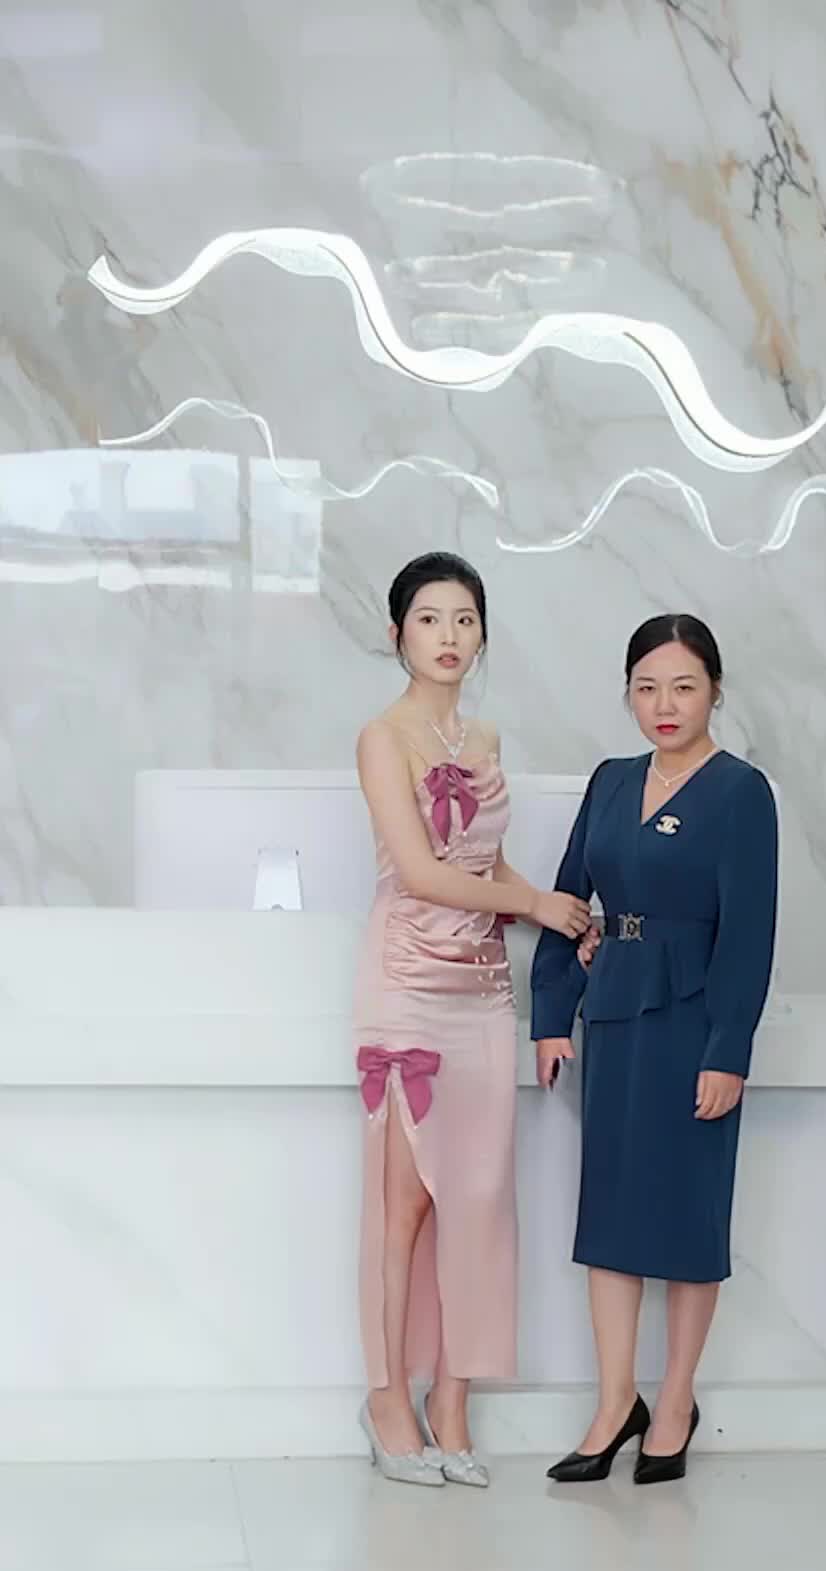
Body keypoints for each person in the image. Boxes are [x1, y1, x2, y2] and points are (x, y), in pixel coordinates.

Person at [354, 552, 591, 1487]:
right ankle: (387, 1400)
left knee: (480, 1198)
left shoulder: (484, 738)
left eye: (463, 620)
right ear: (397, 634)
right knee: (406, 1202)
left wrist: (550, 907)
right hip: (407, 985)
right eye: (428, 619)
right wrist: (532, 905)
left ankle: (452, 1401)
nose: (447, 636)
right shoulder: (382, 737)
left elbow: (486, 869)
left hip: (485, 986)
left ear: (483, 634)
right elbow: (419, 872)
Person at [531, 614, 778, 1485]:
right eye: (646, 687)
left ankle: (674, 1402)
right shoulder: (609, 781)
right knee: (610, 1217)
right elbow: (570, 900)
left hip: (693, 1024)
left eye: (683, 686)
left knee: (686, 1217)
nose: (664, 704)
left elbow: (749, 935)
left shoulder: (742, 792)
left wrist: (728, 1050)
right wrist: (552, 1013)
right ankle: (614, 1404)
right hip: (615, 1016)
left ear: (715, 691)